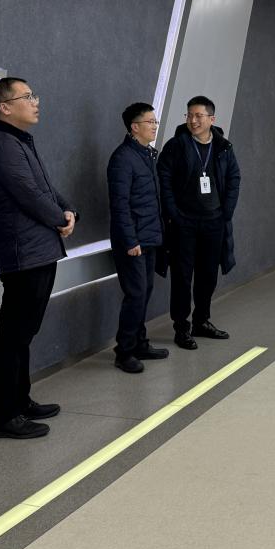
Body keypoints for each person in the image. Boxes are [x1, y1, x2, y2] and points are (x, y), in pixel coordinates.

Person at [0, 77, 76, 438]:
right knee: (13, 336)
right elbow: (29, 195)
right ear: (5, 107)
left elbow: (46, 189)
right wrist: (60, 219)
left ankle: (20, 401)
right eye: (27, 97)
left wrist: (69, 210)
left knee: (23, 334)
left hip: (39, 249)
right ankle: (4, 416)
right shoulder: (3, 145)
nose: (36, 101)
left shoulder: (19, 140)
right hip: (24, 253)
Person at [157, 95, 241, 349]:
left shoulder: (223, 147)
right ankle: (181, 328)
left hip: (214, 222)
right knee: (182, 277)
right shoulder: (177, 145)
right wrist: (174, 213)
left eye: (198, 116)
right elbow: (163, 178)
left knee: (208, 275)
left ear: (211, 119)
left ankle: (201, 321)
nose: (193, 120)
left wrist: (226, 212)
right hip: (184, 223)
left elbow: (234, 177)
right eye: (189, 115)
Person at [106, 102, 171, 373]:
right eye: (149, 122)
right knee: (135, 294)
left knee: (144, 292)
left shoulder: (146, 154)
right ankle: (124, 352)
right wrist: (131, 241)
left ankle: (140, 343)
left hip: (149, 236)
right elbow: (119, 205)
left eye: (155, 122)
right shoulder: (123, 158)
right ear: (134, 127)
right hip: (133, 241)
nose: (154, 126)